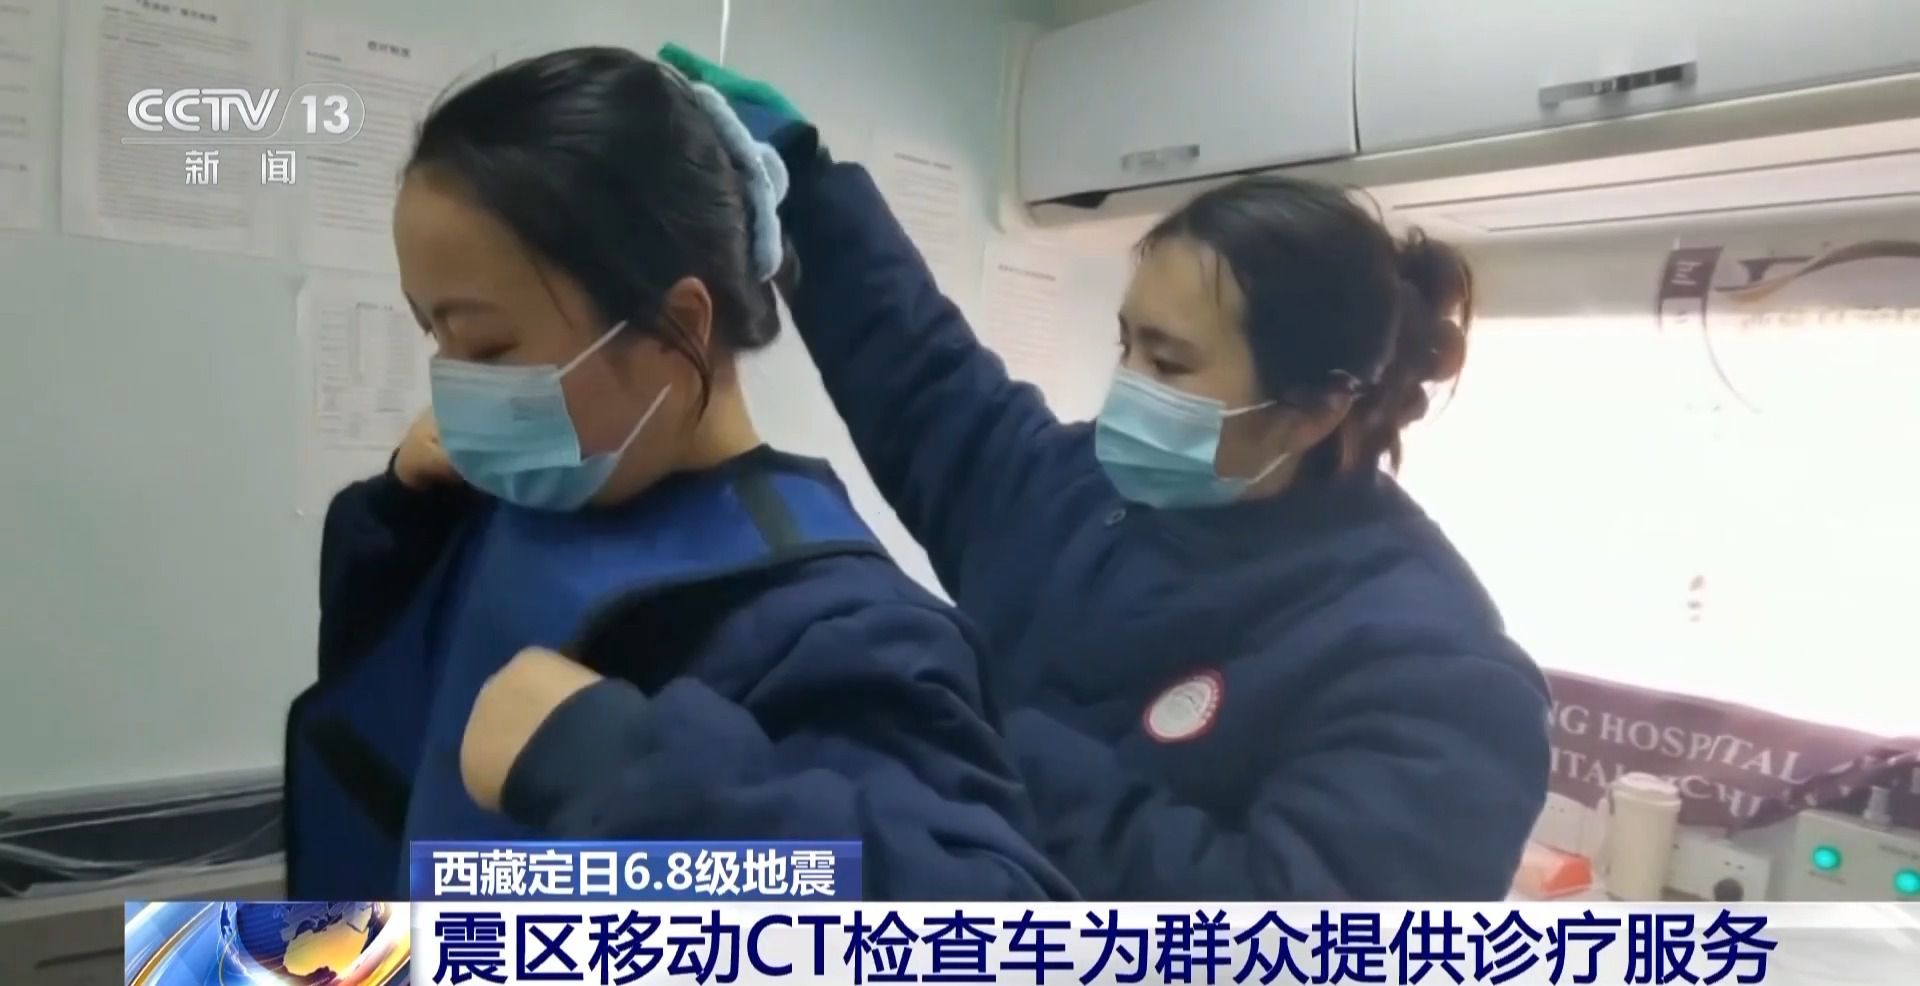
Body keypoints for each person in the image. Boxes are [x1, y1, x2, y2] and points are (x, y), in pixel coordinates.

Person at [664, 47, 1553, 900]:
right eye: (1126, 345)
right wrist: (807, 188)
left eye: (1169, 363)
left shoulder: (1436, 679)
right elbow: (926, 381)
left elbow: (1269, 934)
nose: (1125, 390)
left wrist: (968, 721)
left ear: (1317, 408)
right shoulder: (1082, 496)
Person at [281, 47, 1074, 902]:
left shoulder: (845, 629)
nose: (452, 382)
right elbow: (390, 720)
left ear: (677, 326)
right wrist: (403, 520)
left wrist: (625, 769)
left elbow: (991, 926)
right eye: (435, 336)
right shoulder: (531, 496)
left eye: (487, 344)